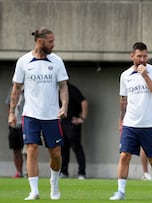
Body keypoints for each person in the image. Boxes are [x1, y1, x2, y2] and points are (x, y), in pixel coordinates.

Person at [8, 27, 69, 200]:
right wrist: (12, 112)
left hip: (51, 116)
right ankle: (34, 191)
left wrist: (64, 106)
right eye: (50, 41)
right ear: (40, 41)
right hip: (30, 115)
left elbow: (63, 86)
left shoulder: (57, 61)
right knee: (31, 149)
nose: (53, 44)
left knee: (55, 154)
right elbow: (16, 89)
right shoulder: (23, 61)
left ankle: (54, 183)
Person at [109, 42, 152, 200]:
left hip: (149, 124)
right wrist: (121, 120)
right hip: (130, 124)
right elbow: (123, 100)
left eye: (145, 56)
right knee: (124, 155)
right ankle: (121, 192)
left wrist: (145, 75)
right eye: (139, 56)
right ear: (132, 56)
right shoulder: (125, 75)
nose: (142, 59)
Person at [60, 82, 88, 180]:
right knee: (63, 149)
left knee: (77, 148)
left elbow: (84, 102)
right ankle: (63, 172)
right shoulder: (56, 90)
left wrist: (82, 118)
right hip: (61, 123)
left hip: (72, 123)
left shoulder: (71, 89)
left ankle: (81, 173)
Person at [5, 87, 25, 178]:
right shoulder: (12, 91)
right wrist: (10, 118)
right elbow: (8, 105)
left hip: (25, 124)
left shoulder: (29, 91)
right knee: (16, 150)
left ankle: (28, 172)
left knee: (28, 151)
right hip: (14, 125)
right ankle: (19, 172)